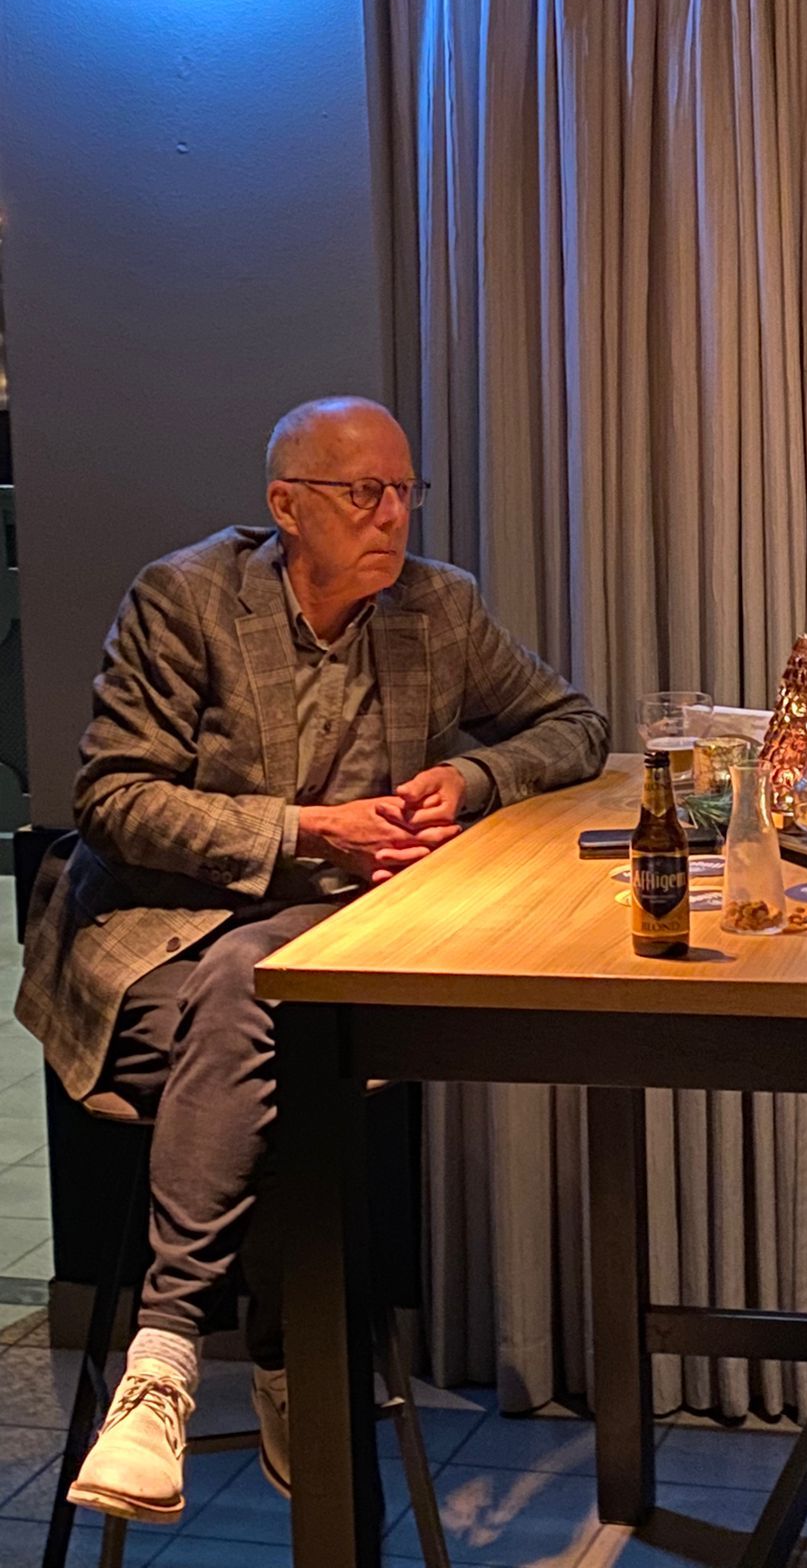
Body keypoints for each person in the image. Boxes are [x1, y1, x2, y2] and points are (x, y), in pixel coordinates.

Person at [16, 396, 610, 1526]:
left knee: (271, 996)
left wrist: (472, 777)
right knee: (281, 1031)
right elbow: (113, 797)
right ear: (286, 506)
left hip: (318, 941)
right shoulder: (185, 598)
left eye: (404, 490)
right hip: (155, 941)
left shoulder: (438, 605)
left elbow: (573, 723)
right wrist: (303, 831)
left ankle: (166, 1363)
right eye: (363, 493)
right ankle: (287, 1358)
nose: (393, 516)